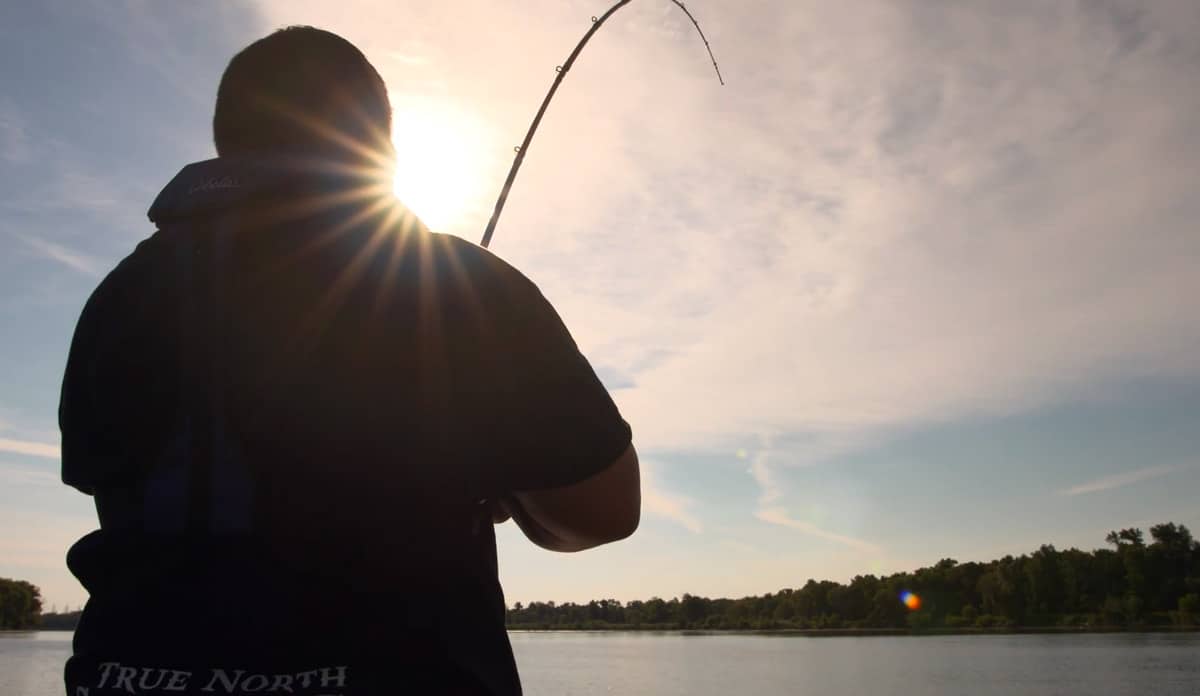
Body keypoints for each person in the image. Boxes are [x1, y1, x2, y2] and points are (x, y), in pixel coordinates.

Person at [60, 26, 640, 696]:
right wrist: (509, 484)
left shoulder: (116, 299)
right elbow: (604, 509)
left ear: (227, 142)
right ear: (382, 148)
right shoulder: (457, 281)